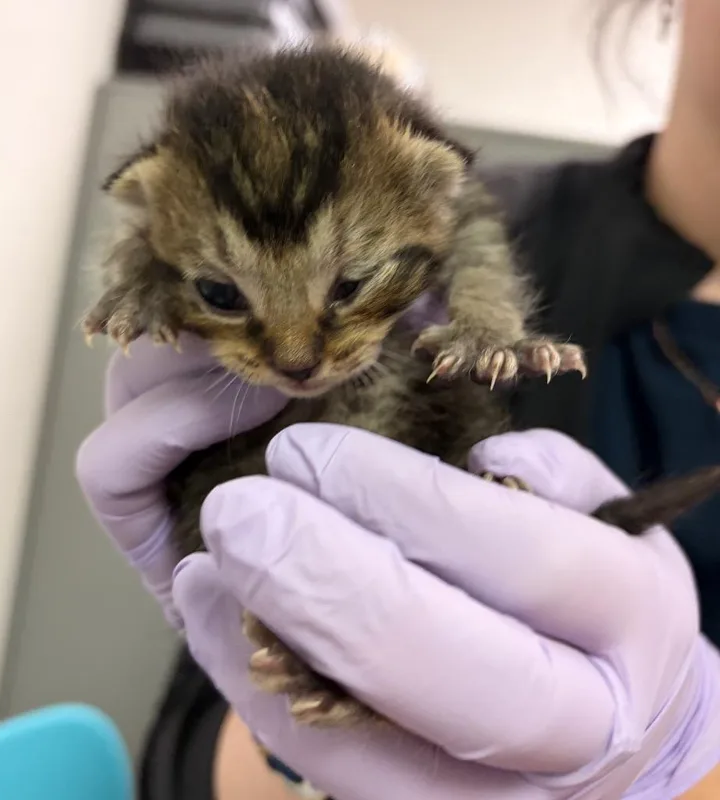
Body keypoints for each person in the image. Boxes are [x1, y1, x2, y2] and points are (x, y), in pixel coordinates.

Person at [75, 0, 720, 796]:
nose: (297, 358)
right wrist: (306, 727)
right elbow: (184, 762)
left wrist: (682, 768)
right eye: (224, 290)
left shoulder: (449, 233)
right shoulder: (485, 215)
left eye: (347, 287)